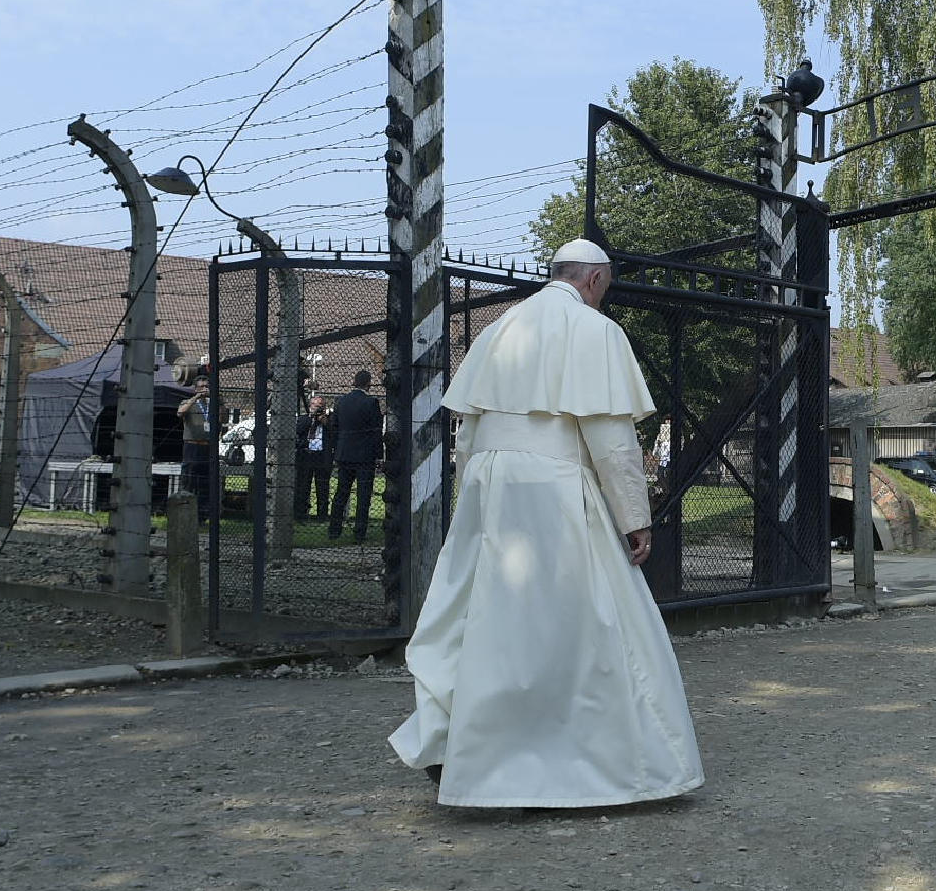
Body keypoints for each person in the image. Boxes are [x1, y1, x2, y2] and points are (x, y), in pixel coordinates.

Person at [389, 238, 702, 809]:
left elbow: (468, 432)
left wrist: (471, 502)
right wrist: (635, 516)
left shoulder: (499, 329)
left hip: (489, 485)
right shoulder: (595, 331)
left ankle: (460, 744)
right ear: (596, 279)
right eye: (605, 287)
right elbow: (611, 440)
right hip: (553, 487)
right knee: (575, 623)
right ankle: (567, 761)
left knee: (481, 616)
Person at [327, 371, 382, 542]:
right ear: (369, 384)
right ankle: (359, 532)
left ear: (354, 382)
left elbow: (334, 427)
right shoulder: (371, 403)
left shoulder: (341, 401)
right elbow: (376, 431)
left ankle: (334, 530)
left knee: (341, 493)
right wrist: (379, 454)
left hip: (345, 454)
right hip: (365, 455)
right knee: (363, 496)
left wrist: (337, 448)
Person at [176, 374, 214, 515]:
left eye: (206, 386)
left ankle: (202, 514)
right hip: (192, 446)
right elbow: (180, 412)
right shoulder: (187, 402)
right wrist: (196, 398)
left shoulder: (212, 404)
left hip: (207, 446)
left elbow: (222, 418)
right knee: (189, 479)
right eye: (201, 387)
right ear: (196, 388)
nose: (204, 389)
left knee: (205, 481)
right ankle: (184, 510)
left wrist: (219, 400)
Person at [295, 394, 332, 520]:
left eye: (321, 406)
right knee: (303, 485)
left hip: (322, 456)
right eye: (316, 406)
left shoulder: (328, 420)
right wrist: (312, 418)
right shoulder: (304, 419)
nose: (318, 408)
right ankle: (301, 512)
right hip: (306, 455)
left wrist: (324, 420)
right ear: (310, 406)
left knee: (322, 487)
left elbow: (334, 432)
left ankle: (322, 514)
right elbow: (299, 430)